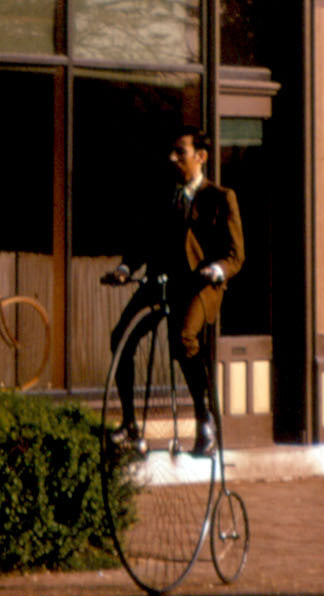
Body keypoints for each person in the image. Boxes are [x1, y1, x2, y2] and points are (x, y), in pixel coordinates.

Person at [102, 127, 244, 457]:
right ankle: (129, 424)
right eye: (172, 152)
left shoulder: (221, 198)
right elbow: (144, 241)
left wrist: (217, 269)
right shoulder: (165, 196)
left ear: (201, 157)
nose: (172, 158)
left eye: (180, 152)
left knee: (184, 340)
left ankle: (204, 418)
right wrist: (126, 269)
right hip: (162, 281)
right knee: (120, 336)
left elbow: (236, 256)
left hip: (198, 285)